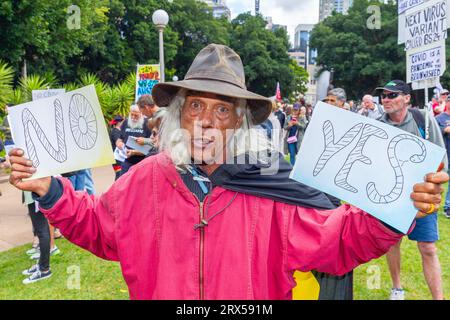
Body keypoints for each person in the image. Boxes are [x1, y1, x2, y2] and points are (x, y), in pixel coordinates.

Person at [8, 44, 448, 300]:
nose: (205, 121)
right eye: (195, 105)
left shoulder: (273, 183)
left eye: (222, 110)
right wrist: (51, 190)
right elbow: (101, 229)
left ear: (240, 121)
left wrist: (395, 205)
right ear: (178, 115)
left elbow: (335, 241)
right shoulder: (144, 179)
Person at [376, 79, 447, 300]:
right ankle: (397, 289)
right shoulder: (378, 124)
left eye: (392, 95)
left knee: (428, 248)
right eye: (384, 96)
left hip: (421, 196)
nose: (385, 100)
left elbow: (441, 159)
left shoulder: (424, 120)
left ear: (407, 98)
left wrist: (435, 182)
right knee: (392, 243)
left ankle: (439, 297)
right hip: (391, 197)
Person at [116, 105, 151, 175]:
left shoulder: (147, 124)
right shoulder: (126, 122)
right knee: (123, 182)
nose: (133, 117)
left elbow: (151, 147)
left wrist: (134, 152)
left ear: (141, 114)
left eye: (136, 115)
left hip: (143, 162)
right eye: (131, 114)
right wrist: (119, 143)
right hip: (127, 160)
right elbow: (120, 139)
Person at [435, 95, 450, 218]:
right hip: (445, 154)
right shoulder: (439, 118)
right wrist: (445, 129)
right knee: (442, 180)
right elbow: (437, 133)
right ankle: (447, 206)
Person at [109, 115, 124, 180]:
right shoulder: (115, 132)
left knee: (121, 175)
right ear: (119, 122)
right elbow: (119, 144)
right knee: (119, 175)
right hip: (117, 158)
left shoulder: (119, 131)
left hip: (119, 157)